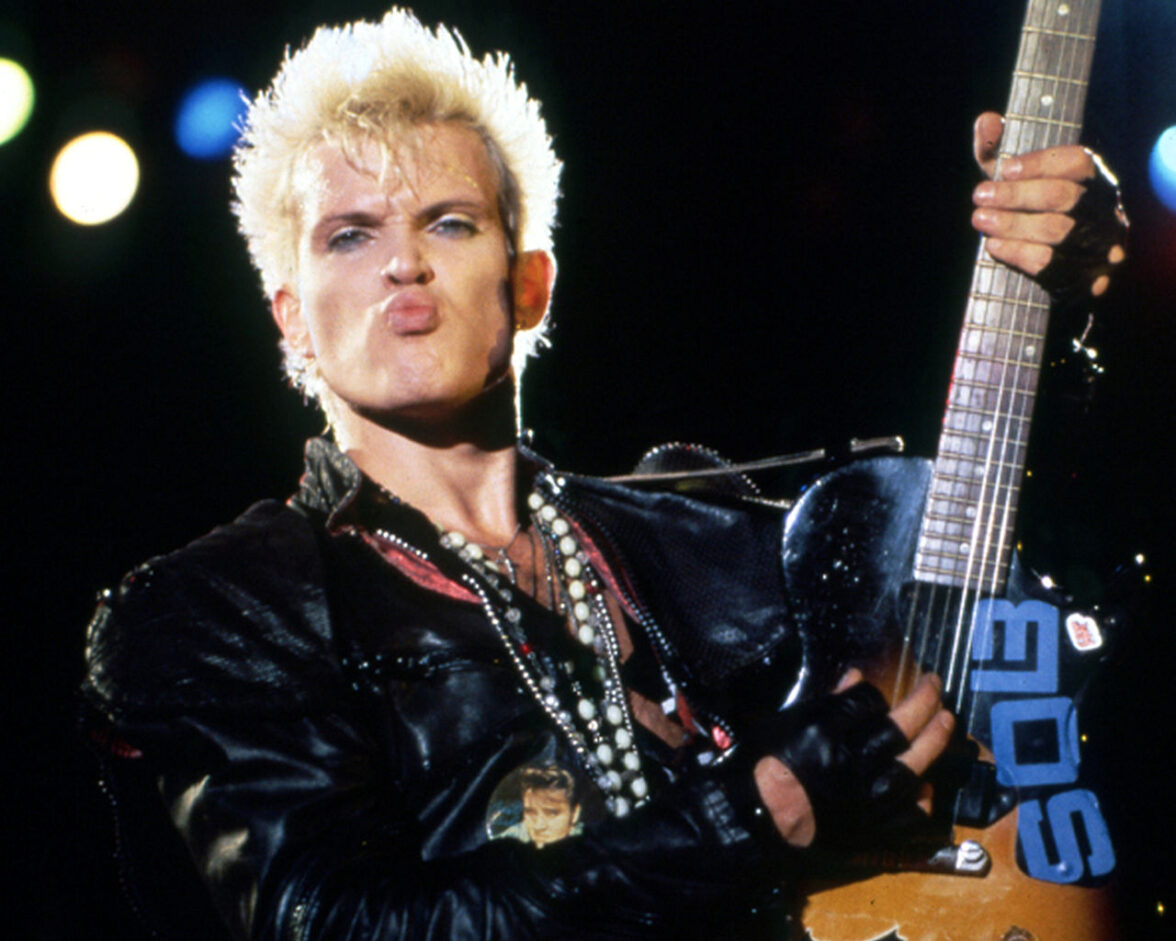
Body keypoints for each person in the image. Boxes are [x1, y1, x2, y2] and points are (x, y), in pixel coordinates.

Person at [81, 8, 1126, 940]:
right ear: (292, 319)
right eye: (350, 236)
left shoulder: (703, 540)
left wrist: (1056, 311)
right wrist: (758, 805)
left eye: (450, 221)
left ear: (529, 283)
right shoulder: (222, 610)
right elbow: (346, 922)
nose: (404, 262)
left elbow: (1026, 605)